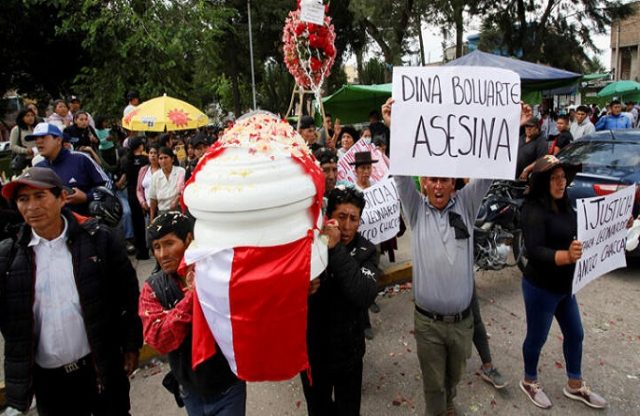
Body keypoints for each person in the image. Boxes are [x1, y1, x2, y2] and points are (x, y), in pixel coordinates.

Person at [382, 97, 526, 415]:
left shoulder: (466, 203)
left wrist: (511, 128)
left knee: (453, 376)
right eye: (431, 178)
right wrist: (395, 128)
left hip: (463, 324)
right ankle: (440, 408)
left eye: (443, 179)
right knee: (433, 385)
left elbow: (489, 170)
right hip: (429, 324)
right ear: (424, 182)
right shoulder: (416, 209)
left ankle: (449, 403)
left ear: (453, 183)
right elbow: (401, 175)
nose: (437, 185)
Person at [0, 167, 142, 415]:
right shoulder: (9, 257)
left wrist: (131, 344)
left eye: (39, 196)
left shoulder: (98, 240)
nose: (31, 207)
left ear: (62, 198)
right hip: (48, 382)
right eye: (23, 199)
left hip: (99, 368)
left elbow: (128, 295)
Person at [519, 155, 612, 410]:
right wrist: (566, 256)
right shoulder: (532, 209)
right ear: (542, 182)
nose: (561, 183)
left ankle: (574, 384)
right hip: (540, 287)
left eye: (563, 177)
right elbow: (535, 250)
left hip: (565, 286)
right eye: (554, 178)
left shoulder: (566, 203)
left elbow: (584, 227)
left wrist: (614, 226)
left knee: (575, 333)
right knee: (537, 338)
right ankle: (529, 380)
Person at [139, 212, 245, 415]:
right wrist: (191, 299)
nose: (162, 254)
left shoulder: (218, 272)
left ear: (189, 239)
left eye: (169, 243)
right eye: (157, 247)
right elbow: (159, 338)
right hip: (190, 392)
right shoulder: (153, 288)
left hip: (229, 386)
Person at [301, 186, 380, 416]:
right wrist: (301, 288)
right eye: (341, 217)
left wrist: (335, 250)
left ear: (360, 221)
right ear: (329, 218)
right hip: (314, 358)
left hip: (350, 357)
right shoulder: (310, 246)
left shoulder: (367, 250)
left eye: (353, 219)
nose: (346, 227)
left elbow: (364, 293)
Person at [30, 122, 111, 215]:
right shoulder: (38, 168)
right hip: (56, 226)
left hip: (87, 224)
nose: (38, 142)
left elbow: (107, 184)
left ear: (58, 140)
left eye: (43, 137)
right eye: (35, 138)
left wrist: (87, 197)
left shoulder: (81, 159)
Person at [120, 137, 149, 259]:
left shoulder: (125, 160)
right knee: (149, 220)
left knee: (137, 223)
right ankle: (150, 246)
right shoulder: (145, 159)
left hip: (132, 193)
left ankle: (141, 251)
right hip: (144, 192)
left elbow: (123, 178)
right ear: (140, 146)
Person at [148, 146, 185, 221]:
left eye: (166, 157)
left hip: (179, 211)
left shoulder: (181, 171)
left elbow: (184, 191)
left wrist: (177, 199)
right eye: (160, 158)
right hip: (163, 213)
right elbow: (153, 199)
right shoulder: (155, 176)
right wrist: (151, 218)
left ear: (172, 159)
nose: (163, 161)